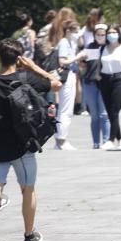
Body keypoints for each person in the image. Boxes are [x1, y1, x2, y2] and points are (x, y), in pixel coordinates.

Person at [0, 39, 62, 241]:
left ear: (0, 57)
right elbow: (56, 83)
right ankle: (29, 235)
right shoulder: (26, 79)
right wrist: (34, 68)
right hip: (22, 146)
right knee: (28, 189)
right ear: (20, 58)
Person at [97, 23, 121, 150]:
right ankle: (120, 139)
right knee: (110, 112)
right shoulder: (102, 49)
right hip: (105, 79)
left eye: (114, 32)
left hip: (120, 79)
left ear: (119, 34)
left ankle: (110, 139)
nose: (112, 35)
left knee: (115, 109)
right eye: (109, 33)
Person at [53, 18, 86, 151]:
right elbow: (62, 61)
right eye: (75, 31)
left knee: (66, 108)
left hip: (71, 75)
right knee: (65, 109)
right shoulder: (64, 42)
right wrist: (78, 57)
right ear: (68, 31)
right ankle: (62, 140)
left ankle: (60, 139)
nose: (78, 34)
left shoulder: (70, 43)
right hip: (66, 77)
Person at [79, 23, 110, 150]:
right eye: (98, 35)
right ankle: (96, 142)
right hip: (90, 83)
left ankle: (107, 141)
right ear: (94, 35)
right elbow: (83, 64)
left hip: (104, 83)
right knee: (95, 115)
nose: (101, 37)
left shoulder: (109, 47)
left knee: (104, 114)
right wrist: (81, 60)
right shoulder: (90, 47)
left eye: (103, 35)